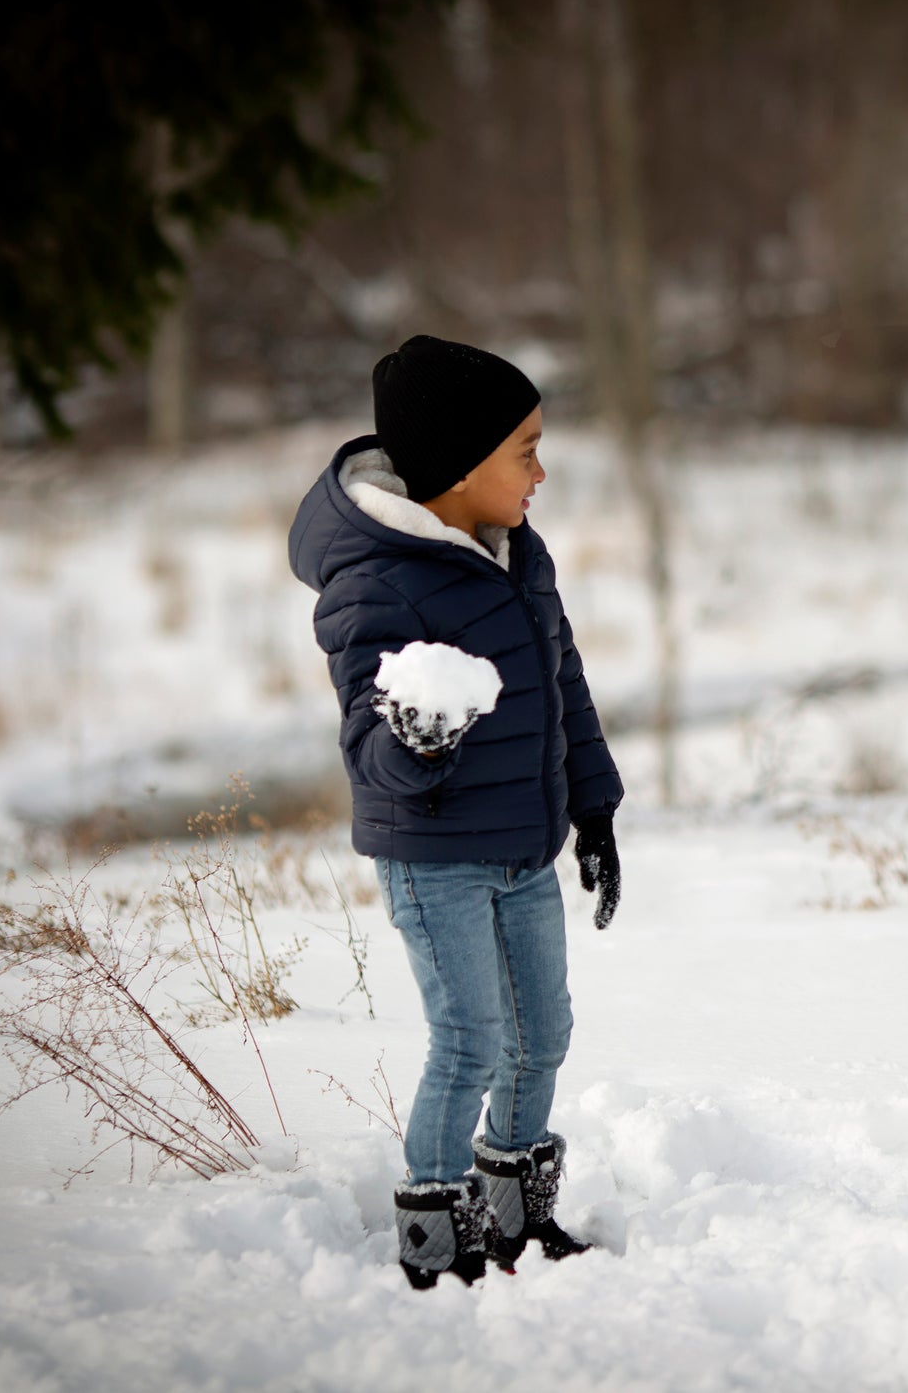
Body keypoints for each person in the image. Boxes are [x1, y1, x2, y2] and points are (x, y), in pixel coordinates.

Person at [288, 334, 623, 1290]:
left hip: (525, 842)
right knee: (471, 1039)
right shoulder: (376, 581)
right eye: (524, 450)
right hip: (436, 855)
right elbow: (370, 752)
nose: (541, 471)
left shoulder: (520, 553)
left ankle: (517, 1212)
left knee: (542, 1032)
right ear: (461, 463)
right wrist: (417, 737)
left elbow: (562, 684)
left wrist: (592, 808)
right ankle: (435, 1235)